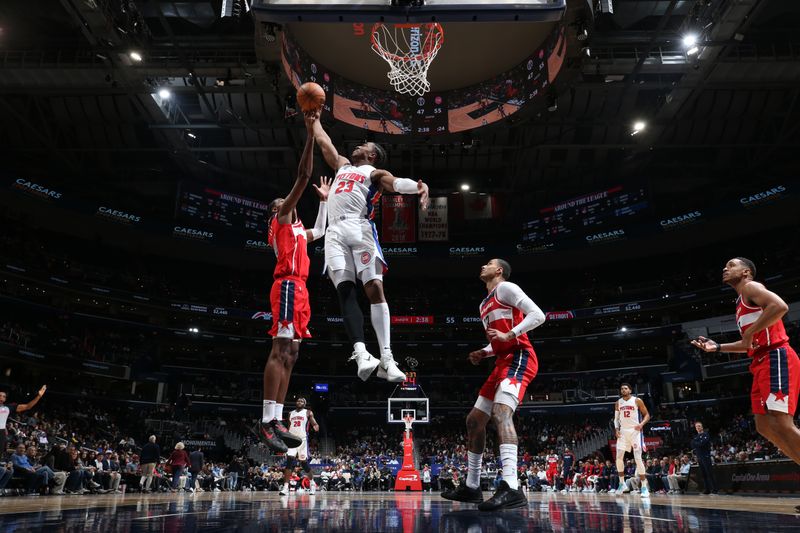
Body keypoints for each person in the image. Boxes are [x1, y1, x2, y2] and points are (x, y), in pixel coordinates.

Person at [311, 115, 429, 382]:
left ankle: (387, 358)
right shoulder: (341, 165)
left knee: (374, 289)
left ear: (373, 155)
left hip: (361, 227)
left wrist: (418, 187)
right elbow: (323, 142)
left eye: (365, 145)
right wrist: (313, 119)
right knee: (344, 290)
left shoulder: (374, 173)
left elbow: (396, 183)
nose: (358, 146)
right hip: (334, 232)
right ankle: (362, 353)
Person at [442, 258, 545, 511]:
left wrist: (509, 335)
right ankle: (472, 487)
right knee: (474, 421)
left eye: (488, 263)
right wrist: (484, 352)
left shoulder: (506, 288)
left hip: (520, 356)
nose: (482, 267)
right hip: (501, 361)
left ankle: (511, 487)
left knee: (501, 413)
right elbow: (497, 341)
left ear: (499, 270)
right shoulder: (483, 304)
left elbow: (538, 315)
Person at [260, 109, 330, 453]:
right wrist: (309, 135)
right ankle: (267, 419)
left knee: (294, 353)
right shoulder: (284, 219)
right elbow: (303, 175)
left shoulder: (301, 230)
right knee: (280, 349)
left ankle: (278, 420)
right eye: (279, 203)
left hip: (302, 290)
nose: (283, 203)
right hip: (287, 284)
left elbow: (321, 229)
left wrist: (326, 203)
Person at [691, 258, 800, 470]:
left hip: (776, 356)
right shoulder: (740, 303)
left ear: (746, 272)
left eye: (731, 265)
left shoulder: (751, 286)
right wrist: (718, 347)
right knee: (764, 426)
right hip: (759, 360)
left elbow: (780, 306)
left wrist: (750, 331)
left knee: (782, 424)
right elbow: (747, 344)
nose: (725, 268)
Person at [613, 382, 651, 498]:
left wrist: (641, 424)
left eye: (625, 388)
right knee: (618, 457)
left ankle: (644, 486)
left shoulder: (637, 400)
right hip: (623, 432)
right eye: (622, 389)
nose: (623, 390)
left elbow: (647, 415)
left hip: (635, 431)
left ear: (630, 390)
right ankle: (622, 483)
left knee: (637, 458)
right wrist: (616, 429)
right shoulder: (618, 402)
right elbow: (616, 419)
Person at [280, 397, 319, 495]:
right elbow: (289, 427)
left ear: (304, 404)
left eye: (302, 401)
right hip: (292, 440)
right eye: (298, 400)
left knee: (304, 464)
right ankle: (285, 487)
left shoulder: (308, 412)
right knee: (289, 462)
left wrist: (315, 426)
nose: (299, 402)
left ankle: (312, 483)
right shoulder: (290, 413)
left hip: (302, 440)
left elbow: (314, 422)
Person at [0, 385, 46, 459]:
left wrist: (39, 396)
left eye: (3, 396)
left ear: (5, 399)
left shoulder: (8, 407)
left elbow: (28, 406)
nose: (1, 397)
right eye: (0, 395)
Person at [691, 422, 718, 495]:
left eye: (699, 426)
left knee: (709, 473)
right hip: (699, 457)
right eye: (697, 426)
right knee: (704, 474)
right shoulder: (696, 437)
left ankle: (714, 489)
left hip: (705, 456)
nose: (698, 427)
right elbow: (693, 444)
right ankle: (707, 489)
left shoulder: (706, 434)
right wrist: (697, 443)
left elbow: (702, 443)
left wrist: (697, 443)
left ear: (702, 427)